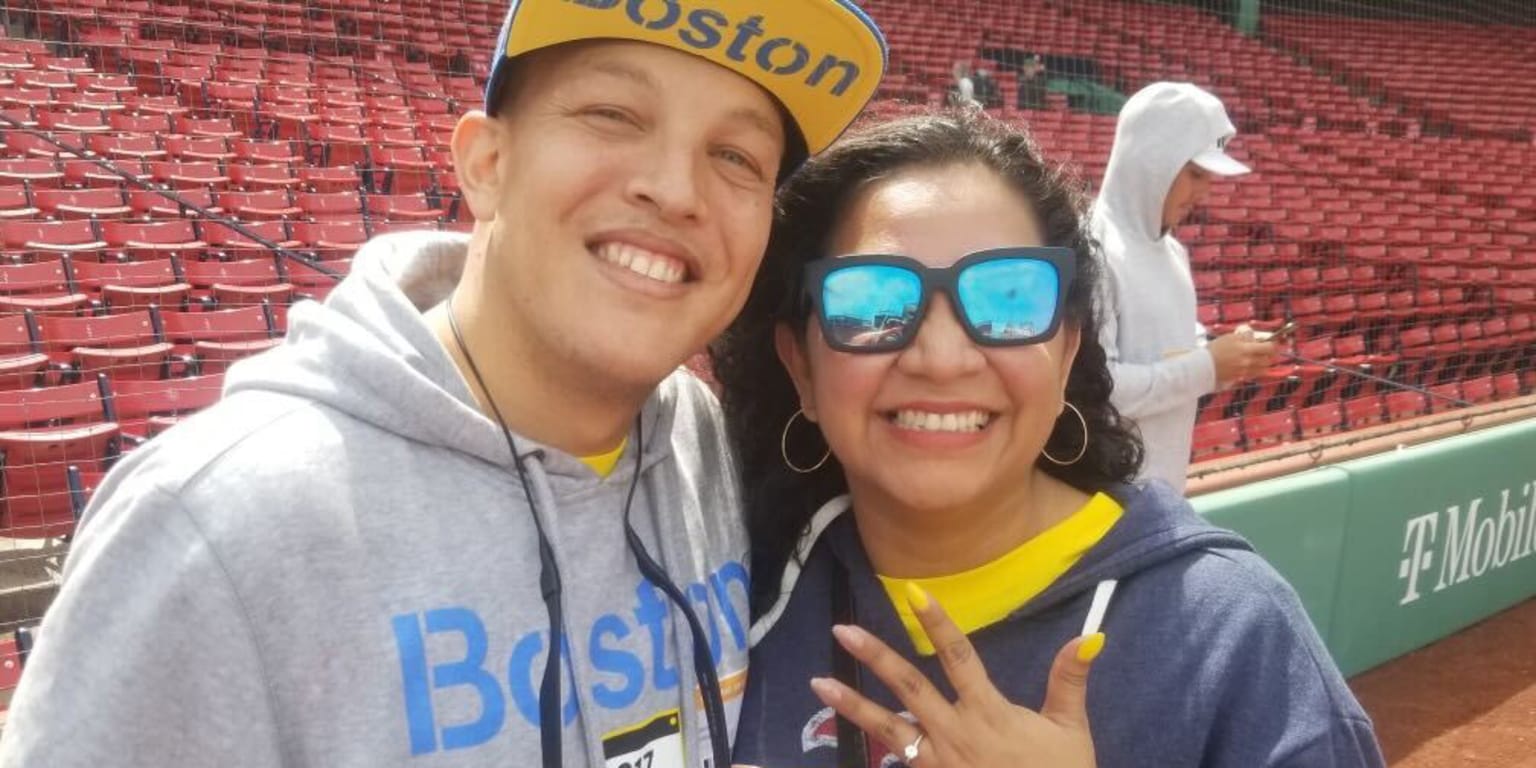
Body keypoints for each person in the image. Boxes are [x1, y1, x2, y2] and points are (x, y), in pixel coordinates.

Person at [0, 1, 886, 766]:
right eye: (613, 113)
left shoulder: (705, 442)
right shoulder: (214, 526)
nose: (674, 188)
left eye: (737, 156)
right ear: (485, 164)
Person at [713, 110, 1384, 767]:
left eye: (1008, 299)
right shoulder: (735, 590)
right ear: (801, 365)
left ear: (1066, 355)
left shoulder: (1229, 633)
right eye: (874, 302)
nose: (942, 358)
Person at [1092, 82, 1277, 493]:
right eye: (1195, 173)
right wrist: (1209, 365)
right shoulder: (1093, 249)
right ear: (1151, 161)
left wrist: (1232, 358)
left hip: (1163, 495)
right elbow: (1097, 390)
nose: (1204, 191)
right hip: (1102, 503)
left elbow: (1174, 352)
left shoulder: (1174, 253)